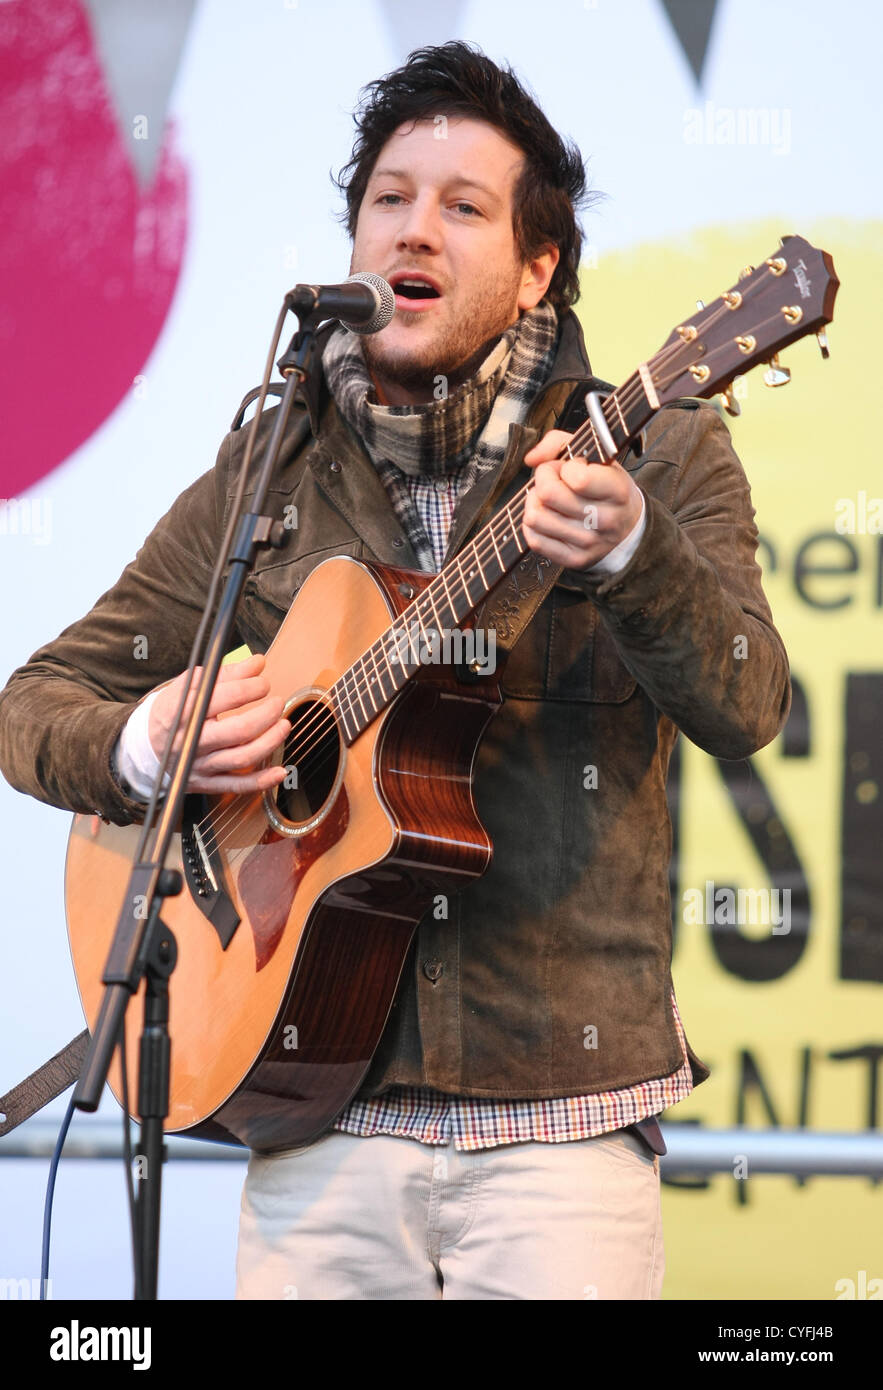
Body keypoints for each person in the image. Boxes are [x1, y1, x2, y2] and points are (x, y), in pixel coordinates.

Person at [0, 42, 790, 1300]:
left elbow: (749, 702)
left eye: (463, 206)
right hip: (313, 1124)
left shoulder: (655, 447)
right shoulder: (275, 461)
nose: (413, 227)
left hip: (559, 1143)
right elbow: (33, 703)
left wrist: (633, 552)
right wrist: (153, 740)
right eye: (388, 197)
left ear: (538, 269)